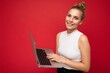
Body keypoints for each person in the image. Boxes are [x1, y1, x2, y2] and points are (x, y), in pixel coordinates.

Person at [47, 1, 90, 73]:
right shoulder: (59, 35)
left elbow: (86, 67)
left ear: (80, 22)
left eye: (75, 18)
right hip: (60, 70)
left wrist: (63, 60)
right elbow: (58, 58)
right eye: (69, 16)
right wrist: (48, 58)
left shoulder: (82, 38)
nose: (70, 20)